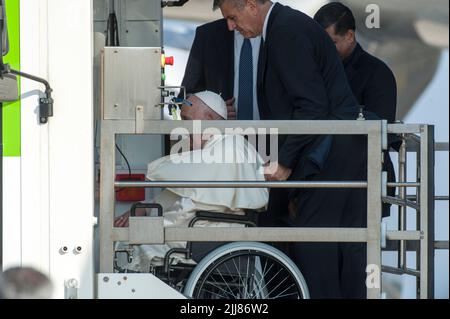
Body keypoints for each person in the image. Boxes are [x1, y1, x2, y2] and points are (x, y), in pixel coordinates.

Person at [214, 0, 377, 298]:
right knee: (332, 247)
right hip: (336, 150)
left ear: (251, 5)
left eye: (232, 17)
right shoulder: (284, 26)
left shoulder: (286, 32)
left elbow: (312, 105)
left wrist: (285, 161)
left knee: (314, 247)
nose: (230, 26)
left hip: (331, 154)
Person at [114, 91, 268, 270]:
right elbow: (188, 195)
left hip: (205, 235)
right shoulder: (220, 145)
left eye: (187, 119)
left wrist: (152, 222)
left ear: (209, 119)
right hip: (204, 230)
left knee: (128, 240)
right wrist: (145, 207)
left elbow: (190, 206)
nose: (183, 128)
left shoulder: (226, 149)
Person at [314, 2, 398, 298]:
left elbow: (385, 131)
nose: (323, 50)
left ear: (350, 36)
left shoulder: (377, 73)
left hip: (361, 185)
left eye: (331, 43)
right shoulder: (318, 71)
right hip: (326, 183)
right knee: (320, 259)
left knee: (354, 262)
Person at [181, 17, 261, 120]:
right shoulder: (207, 34)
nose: (229, 25)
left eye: (232, 16)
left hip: (276, 130)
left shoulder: (276, 31)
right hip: (219, 133)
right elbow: (185, 96)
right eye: (226, 16)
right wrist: (212, 109)